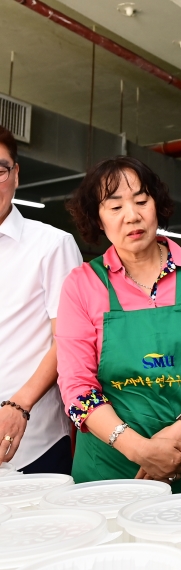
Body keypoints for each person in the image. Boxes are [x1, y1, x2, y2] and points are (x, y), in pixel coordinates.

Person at [56, 156, 181, 491]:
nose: (132, 215)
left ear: (157, 204)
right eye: (114, 207)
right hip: (112, 466)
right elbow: (77, 387)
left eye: (142, 201)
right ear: (98, 220)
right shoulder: (82, 284)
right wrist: (141, 450)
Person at [0, 125, 82, 474]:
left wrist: (19, 405)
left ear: (16, 175)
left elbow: (68, 339)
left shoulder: (52, 245)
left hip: (32, 441)